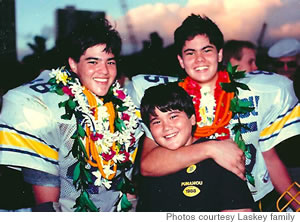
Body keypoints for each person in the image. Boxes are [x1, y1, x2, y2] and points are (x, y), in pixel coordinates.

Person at [127, 14, 300, 211]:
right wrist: (212, 148)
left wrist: (297, 203)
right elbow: (149, 164)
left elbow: (269, 158)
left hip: (256, 201)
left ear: (219, 55)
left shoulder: (257, 92)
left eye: (206, 50)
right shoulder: (170, 101)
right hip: (199, 203)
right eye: (190, 53)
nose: (199, 59)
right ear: (181, 60)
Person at [0, 18, 143, 212]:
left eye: (110, 62)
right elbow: (47, 206)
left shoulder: (125, 106)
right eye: (93, 61)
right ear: (73, 65)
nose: (104, 70)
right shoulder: (52, 109)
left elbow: (127, 185)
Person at [136, 83, 255, 212]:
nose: (166, 127)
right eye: (157, 122)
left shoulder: (221, 156)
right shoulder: (152, 162)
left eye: (173, 117)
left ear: (192, 119)